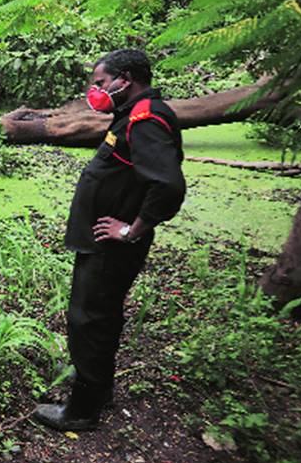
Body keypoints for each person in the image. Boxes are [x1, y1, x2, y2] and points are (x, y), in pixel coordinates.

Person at [34, 49, 187, 432]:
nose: (96, 91)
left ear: (126, 78)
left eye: (101, 83)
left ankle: (82, 410)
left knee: (88, 319)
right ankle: (98, 388)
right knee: (99, 315)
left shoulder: (146, 119)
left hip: (111, 246)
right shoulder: (130, 116)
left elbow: (168, 185)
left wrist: (132, 228)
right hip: (100, 241)